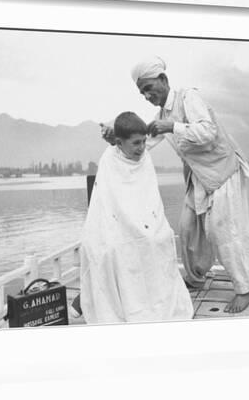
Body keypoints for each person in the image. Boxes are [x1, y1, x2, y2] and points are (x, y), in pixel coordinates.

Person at [102, 56, 249, 313]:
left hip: (223, 172)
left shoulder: (188, 98)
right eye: (142, 92)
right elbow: (141, 145)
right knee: (187, 229)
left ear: (163, 80)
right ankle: (195, 278)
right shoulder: (161, 116)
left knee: (225, 232)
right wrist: (115, 138)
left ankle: (245, 288)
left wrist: (173, 126)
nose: (146, 95)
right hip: (198, 178)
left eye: (149, 88)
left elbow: (208, 131)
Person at [78, 111, 193, 324]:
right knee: (113, 250)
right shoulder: (109, 160)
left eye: (143, 142)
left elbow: (149, 199)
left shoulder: (144, 158)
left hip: (146, 224)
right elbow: (108, 204)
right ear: (119, 143)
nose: (141, 148)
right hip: (116, 227)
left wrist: (145, 228)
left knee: (160, 239)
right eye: (136, 143)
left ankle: (154, 301)